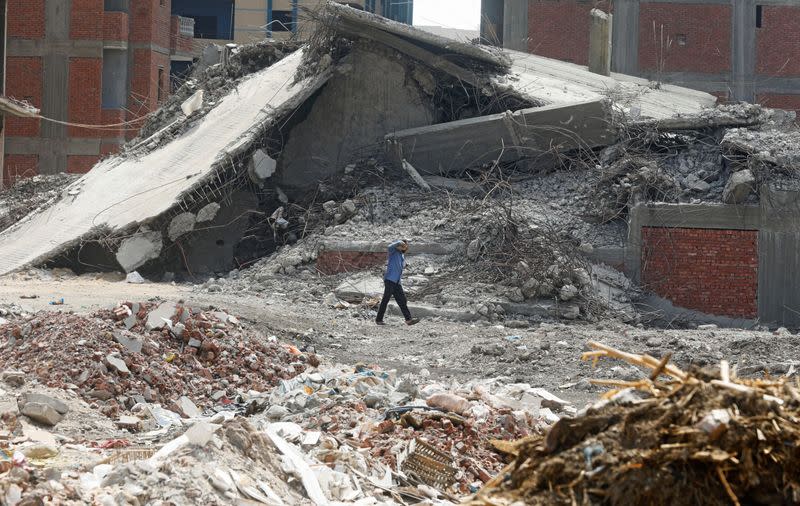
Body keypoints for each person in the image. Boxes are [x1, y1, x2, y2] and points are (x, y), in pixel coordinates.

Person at [376, 239, 419, 326]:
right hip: (390, 280)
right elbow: (389, 247)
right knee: (385, 299)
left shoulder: (402, 256)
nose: (403, 247)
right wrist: (399, 242)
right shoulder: (393, 252)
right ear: (398, 246)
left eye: (405, 246)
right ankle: (379, 319)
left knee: (402, 300)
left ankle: (408, 319)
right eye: (401, 246)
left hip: (397, 282)